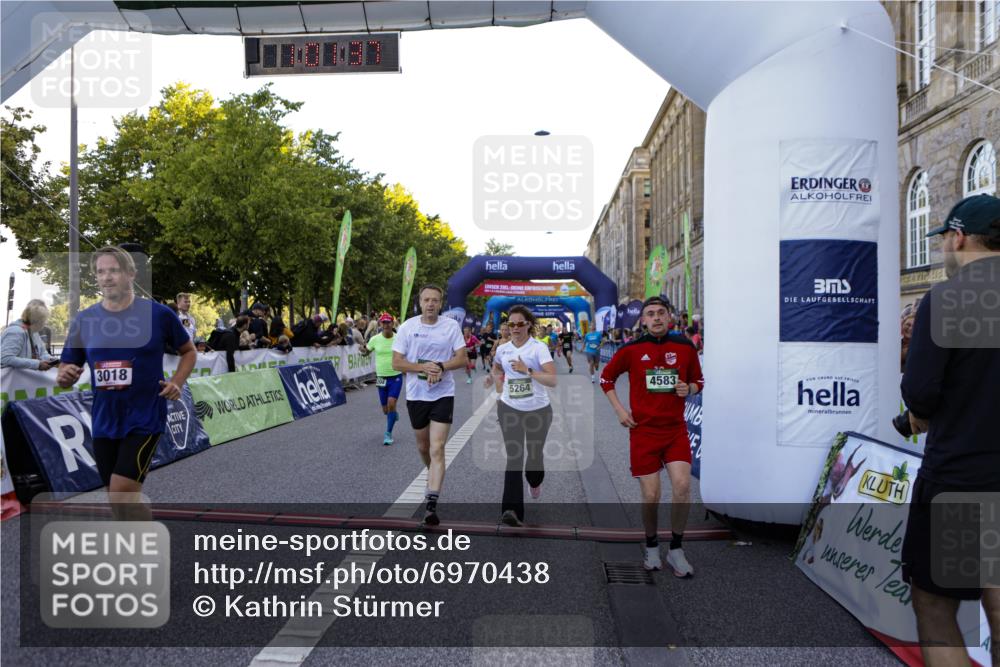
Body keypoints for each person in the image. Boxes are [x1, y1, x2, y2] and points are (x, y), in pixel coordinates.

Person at [899, 193, 1000, 665]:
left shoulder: (949, 298)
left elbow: (920, 393)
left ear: (958, 237)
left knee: (936, 607)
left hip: (963, 480)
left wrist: (924, 410)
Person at [57, 246, 195, 520]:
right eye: (100, 272)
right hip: (105, 419)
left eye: (114, 271)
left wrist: (177, 382)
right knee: (118, 499)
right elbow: (66, 366)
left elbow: (189, 351)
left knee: (122, 491)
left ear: (131, 274)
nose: (106, 277)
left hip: (145, 416)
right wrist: (65, 375)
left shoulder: (159, 314)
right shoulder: (85, 320)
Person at [599, 296, 703, 575]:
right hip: (643, 432)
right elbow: (606, 379)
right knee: (652, 494)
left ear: (669, 317)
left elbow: (699, 381)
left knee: (682, 486)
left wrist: (689, 389)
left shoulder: (684, 346)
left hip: (675, 431)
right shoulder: (632, 349)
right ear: (643, 320)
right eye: (650, 314)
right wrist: (620, 410)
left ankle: (677, 550)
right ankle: (652, 545)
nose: (656, 318)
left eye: (661, 313)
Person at [392, 285, 468, 526]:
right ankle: (433, 471)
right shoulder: (407, 327)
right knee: (423, 447)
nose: (431, 304)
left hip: (443, 393)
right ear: (420, 302)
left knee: (437, 448)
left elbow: (461, 358)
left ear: (441, 303)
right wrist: (422, 368)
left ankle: (431, 503)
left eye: (435, 300)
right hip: (417, 395)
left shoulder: (451, 326)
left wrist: (441, 367)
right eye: (426, 300)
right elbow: (397, 363)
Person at [489, 306, 557, 527]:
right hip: (510, 408)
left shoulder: (539, 348)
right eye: (512, 324)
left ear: (529, 324)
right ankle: (511, 510)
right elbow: (497, 368)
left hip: (538, 410)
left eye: (520, 324)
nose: (515, 328)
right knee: (514, 457)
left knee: (534, 456)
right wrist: (499, 385)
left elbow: (552, 380)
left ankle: (535, 481)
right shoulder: (503, 349)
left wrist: (527, 370)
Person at [361, 313, 403, 445]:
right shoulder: (375, 339)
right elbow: (366, 351)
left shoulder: (399, 339)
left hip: (395, 376)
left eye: (388, 322)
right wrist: (362, 350)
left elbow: (406, 353)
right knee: (386, 409)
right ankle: (393, 414)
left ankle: (388, 433)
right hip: (381, 378)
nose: (386, 325)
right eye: (384, 322)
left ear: (392, 324)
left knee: (391, 403)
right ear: (380, 324)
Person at [1, 299, 59, 371]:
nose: (44, 324)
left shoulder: (34, 332)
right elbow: (5, 358)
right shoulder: (15, 332)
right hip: (11, 380)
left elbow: (42, 353)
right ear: (37, 321)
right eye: (44, 321)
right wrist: (37, 364)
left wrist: (53, 360)